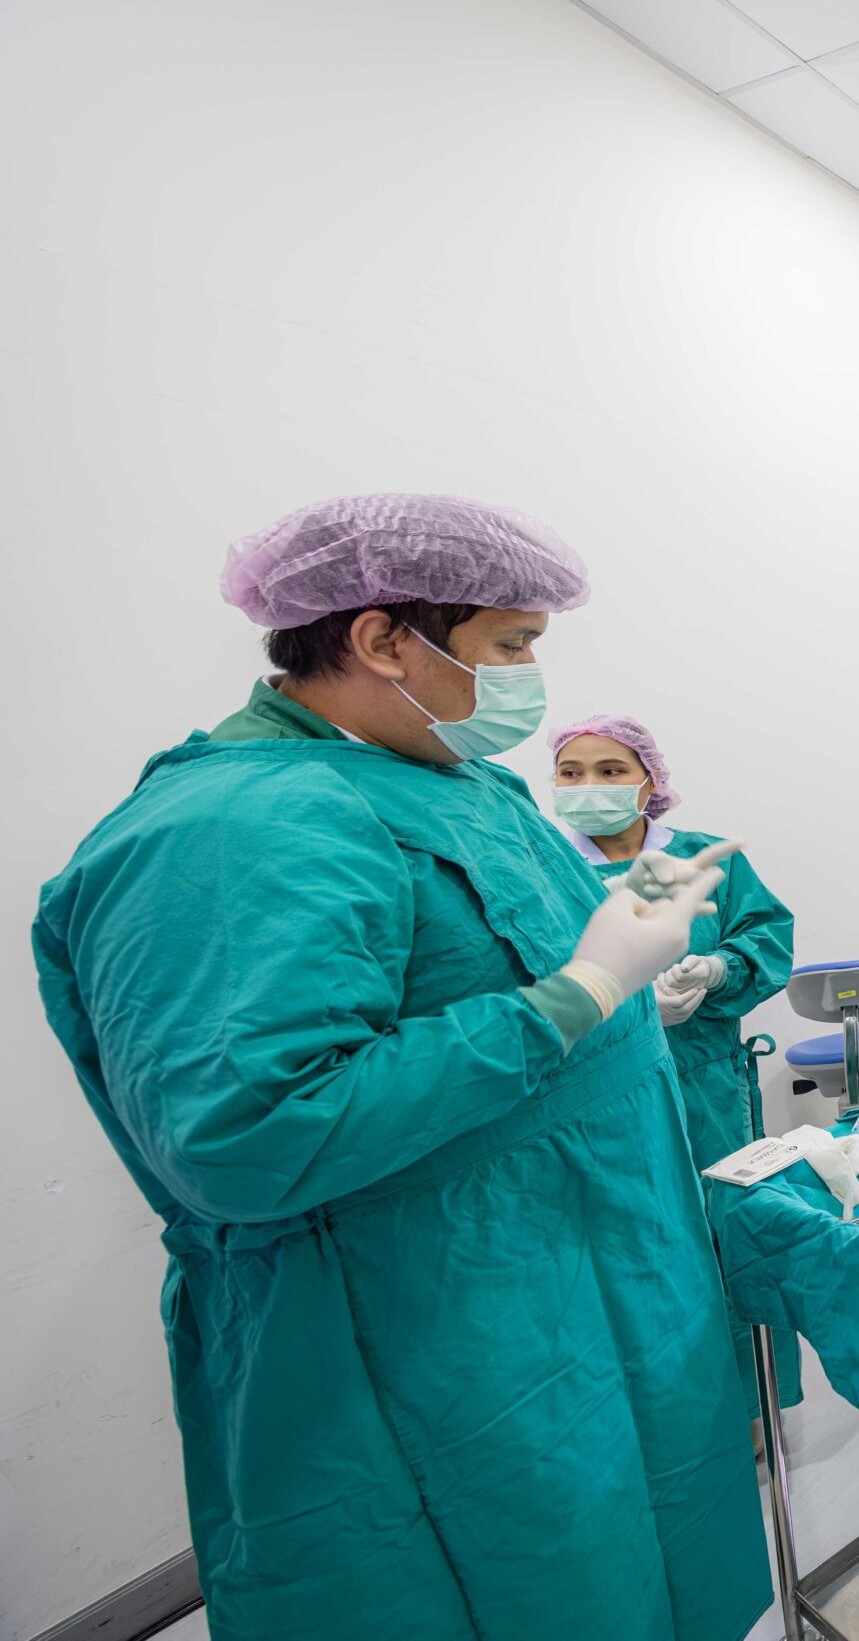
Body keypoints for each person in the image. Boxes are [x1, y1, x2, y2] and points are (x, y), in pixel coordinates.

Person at [32, 495, 770, 1639]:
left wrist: (619, 918)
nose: (526, 680)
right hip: (436, 1355)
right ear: (383, 640)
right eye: (510, 645)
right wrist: (580, 991)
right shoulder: (230, 828)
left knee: (638, 1577)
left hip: (592, 1296)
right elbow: (251, 1133)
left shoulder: (458, 784)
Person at [550, 713, 799, 1423]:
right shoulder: (546, 866)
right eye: (570, 772)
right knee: (629, 1248)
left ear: (649, 780)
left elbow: (766, 934)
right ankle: (667, 1421)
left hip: (706, 1087)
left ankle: (751, 1404)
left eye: (610, 770)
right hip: (598, 1093)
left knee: (728, 1235)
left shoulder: (695, 858)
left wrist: (718, 970)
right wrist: (616, 1000)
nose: (589, 785)